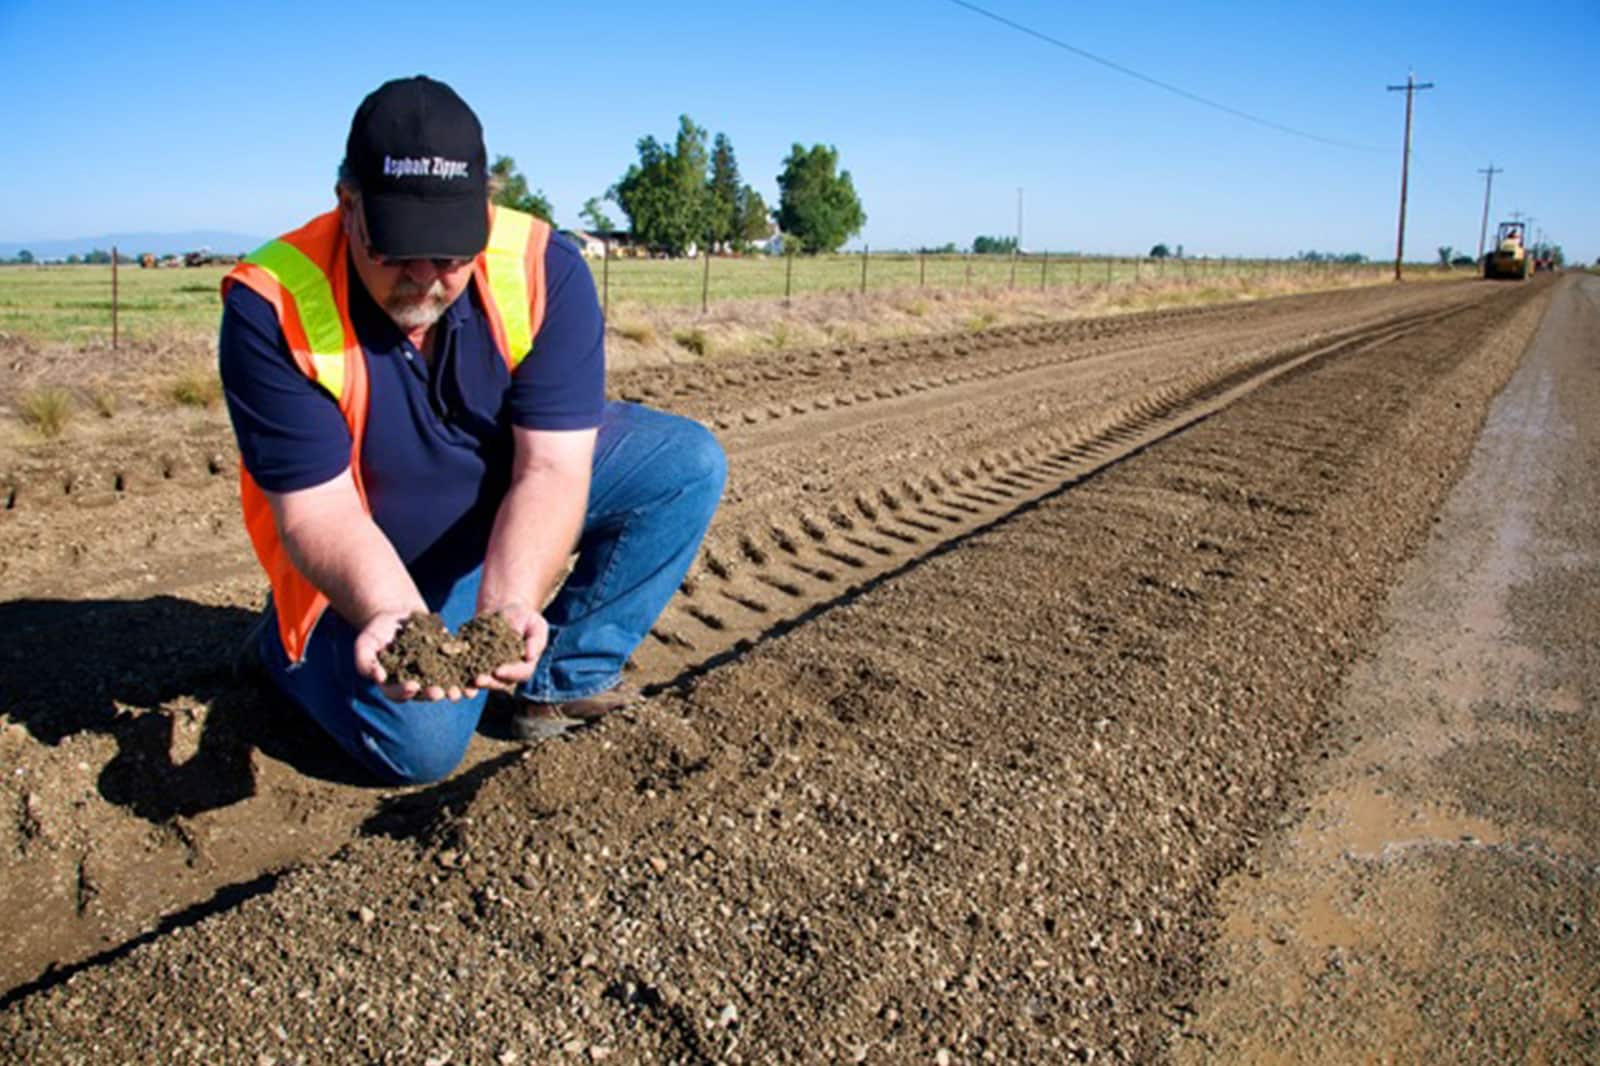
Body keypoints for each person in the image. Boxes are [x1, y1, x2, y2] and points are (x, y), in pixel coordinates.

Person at [219, 75, 725, 785]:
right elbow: (318, 509)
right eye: (396, 250)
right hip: (378, 547)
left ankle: (563, 679)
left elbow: (551, 468)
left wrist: (510, 602)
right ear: (347, 203)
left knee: (683, 465)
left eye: (450, 253)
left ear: (484, 210)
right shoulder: (271, 304)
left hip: (489, 506)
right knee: (420, 749)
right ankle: (286, 650)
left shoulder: (542, 266)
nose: (425, 278)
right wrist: (397, 617)